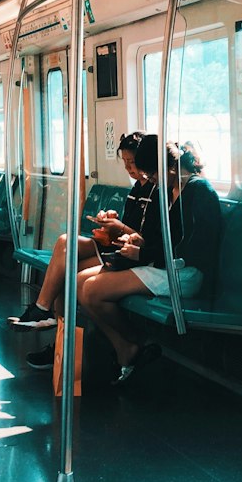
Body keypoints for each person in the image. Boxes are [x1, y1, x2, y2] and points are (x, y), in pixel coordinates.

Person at [75, 138, 222, 385]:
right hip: (164, 266)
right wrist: (138, 242)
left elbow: (194, 251)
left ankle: (131, 345)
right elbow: (159, 238)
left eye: (152, 174)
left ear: (170, 169)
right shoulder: (170, 190)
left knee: (92, 290)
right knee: (81, 281)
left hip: (186, 273)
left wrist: (143, 255)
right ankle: (125, 346)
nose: (151, 180)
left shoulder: (200, 193)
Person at [13, 131, 154, 347]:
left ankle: (54, 333)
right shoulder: (137, 189)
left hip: (129, 253)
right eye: (125, 162)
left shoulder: (156, 190)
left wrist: (119, 228)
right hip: (116, 244)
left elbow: (145, 238)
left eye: (132, 162)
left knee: (67, 272)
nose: (128, 168)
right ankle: (47, 318)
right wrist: (111, 221)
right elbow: (129, 227)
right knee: (64, 242)